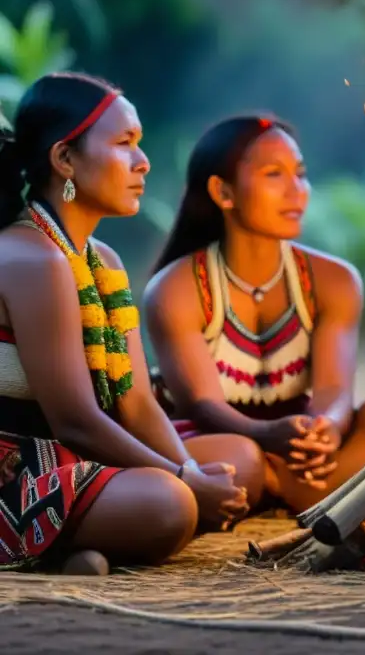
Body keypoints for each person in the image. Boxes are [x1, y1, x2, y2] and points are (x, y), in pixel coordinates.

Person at [0, 73, 253, 574]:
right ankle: (72, 546)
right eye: (124, 143)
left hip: (74, 456)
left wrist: (194, 473)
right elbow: (75, 419)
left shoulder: (104, 261)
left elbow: (135, 403)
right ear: (65, 159)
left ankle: (78, 546)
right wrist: (184, 482)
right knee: (169, 504)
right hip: (15, 467)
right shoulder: (31, 255)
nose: (144, 162)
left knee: (238, 460)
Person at [144, 115, 365, 514]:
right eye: (275, 174)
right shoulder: (175, 289)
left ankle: (277, 488)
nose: (297, 190)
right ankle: (305, 491)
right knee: (240, 459)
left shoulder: (335, 280)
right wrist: (267, 435)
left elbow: (333, 393)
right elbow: (202, 404)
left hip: (298, 448)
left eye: (301, 174)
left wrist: (326, 430)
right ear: (223, 191)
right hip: (216, 441)